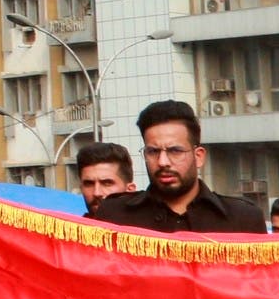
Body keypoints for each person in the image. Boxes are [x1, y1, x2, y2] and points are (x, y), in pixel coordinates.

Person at [93, 100, 268, 234]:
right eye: (153, 151)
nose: (163, 162)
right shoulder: (115, 216)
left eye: (175, 151)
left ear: (198, 156)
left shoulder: (242, 219)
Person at [74, 140, 137, 214]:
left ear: (129, 190)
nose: (97, 193)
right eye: (89, 184)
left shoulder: (145, 220)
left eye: (107, 183)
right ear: (81, 188)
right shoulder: (69, 221)